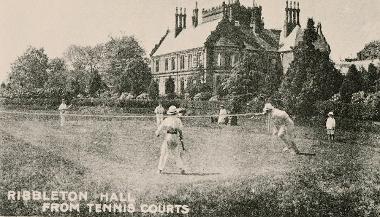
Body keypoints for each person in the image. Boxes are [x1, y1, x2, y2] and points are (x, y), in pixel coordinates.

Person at [155, 105, 186, 175]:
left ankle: (160, 169)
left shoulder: (167, 120)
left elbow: (160, 127)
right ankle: (181, 168)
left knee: (164, 153)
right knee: (176, 154)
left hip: (168, 137)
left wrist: (157, 133)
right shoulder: (178, 120)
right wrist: (181, 139)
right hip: (175, 137)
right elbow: (180, 131)